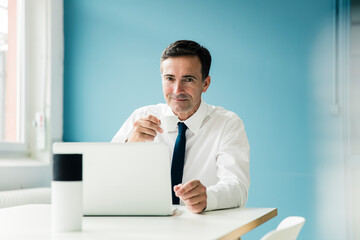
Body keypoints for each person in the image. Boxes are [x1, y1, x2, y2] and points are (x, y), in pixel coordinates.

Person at [112, 40, 250, 213]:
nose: (177, 90)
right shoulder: (141, 117)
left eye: (188, 79)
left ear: (205, 84)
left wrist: (208, 197)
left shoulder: (227, 124)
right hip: (147, 227)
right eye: (170, 79)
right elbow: (108, 180)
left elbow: (238, 187)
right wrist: (130, 146)